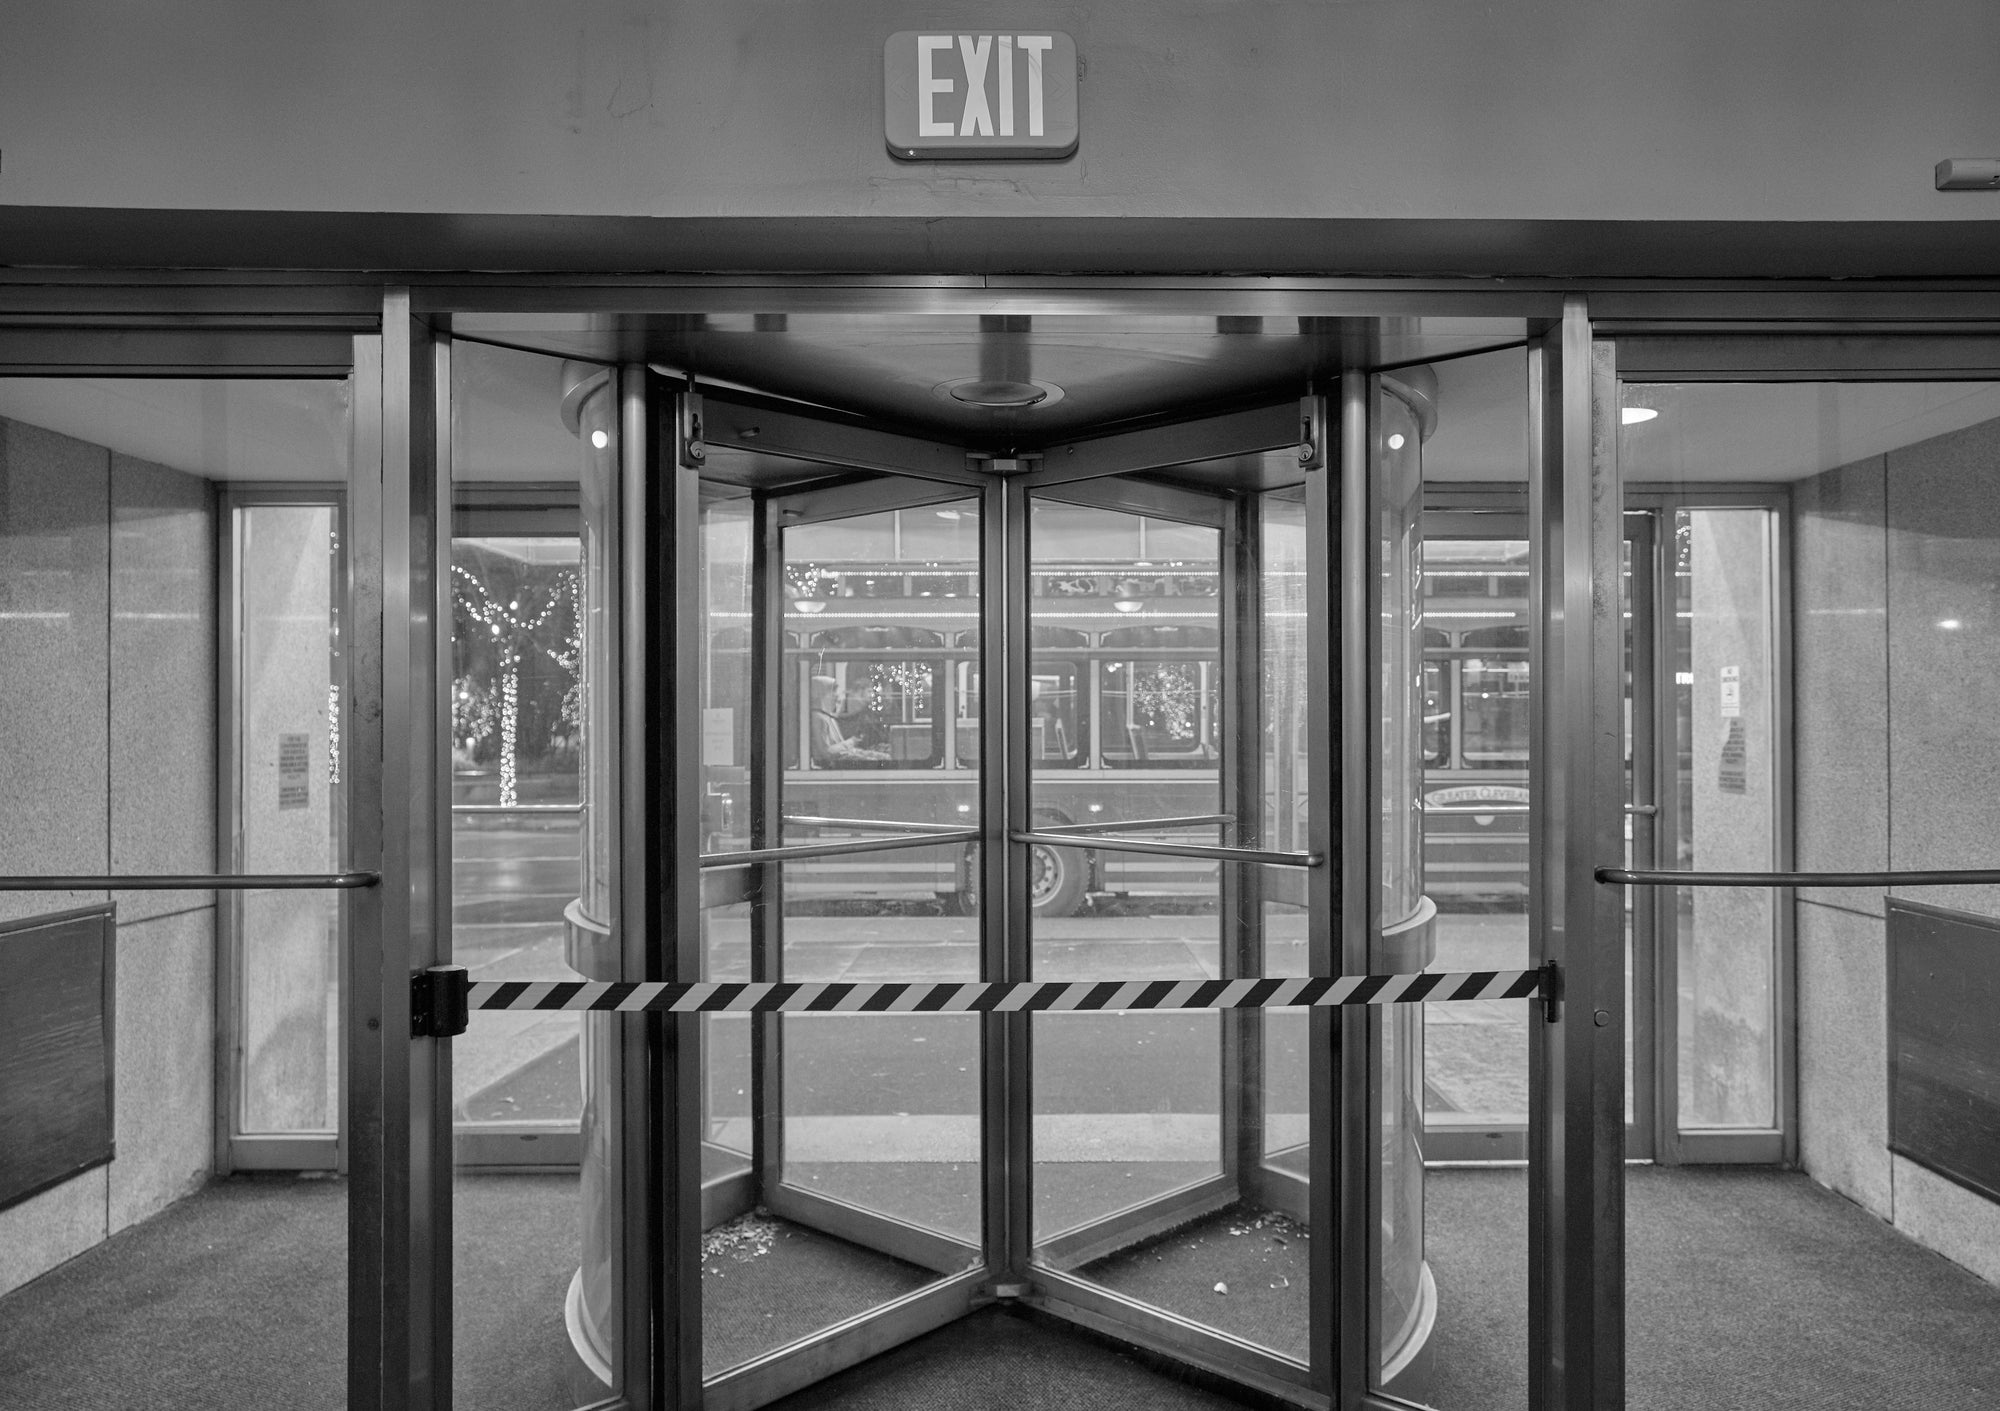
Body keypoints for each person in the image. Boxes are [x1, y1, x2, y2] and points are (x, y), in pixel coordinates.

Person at [808, 676, 890, 763]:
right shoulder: (818, 718)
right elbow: (826, 753)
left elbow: (841, 747)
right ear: (821, 693)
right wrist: (852, 742)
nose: (837, 695)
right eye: (832, 691)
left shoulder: (828, 716)